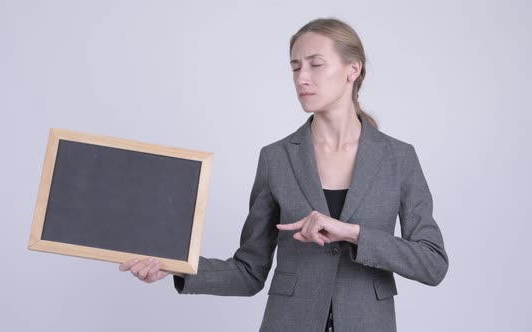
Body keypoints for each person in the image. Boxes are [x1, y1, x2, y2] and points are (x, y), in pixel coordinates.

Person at [119, 17, 448, 332]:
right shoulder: (276, 158)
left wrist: (352, 233)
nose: (301, 77)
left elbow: (433, 263)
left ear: (353, 69)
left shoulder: (398, 158)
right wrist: (177, 267)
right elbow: (249, 271)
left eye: (315, 64)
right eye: (295, 67)